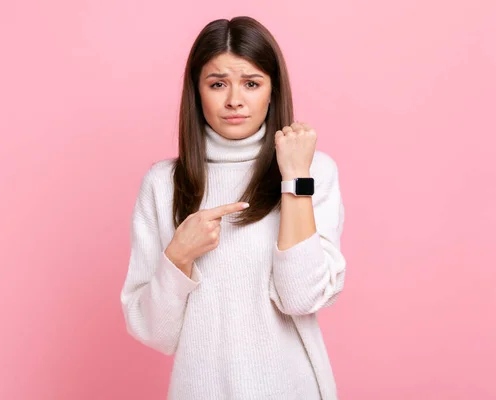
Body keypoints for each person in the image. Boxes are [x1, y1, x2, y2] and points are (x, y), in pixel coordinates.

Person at [120, 16, 346, 400]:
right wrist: (178, 256)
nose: (234, 100)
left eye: (252, 83)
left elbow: (301, 298)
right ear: (197, 91)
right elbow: (154, 332)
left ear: (272, 91)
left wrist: (293, 178)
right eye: (218, 84)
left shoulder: (313, 170)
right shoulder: (163, 184)